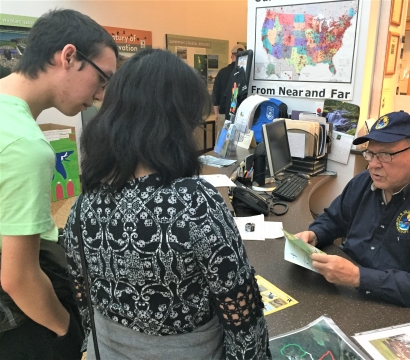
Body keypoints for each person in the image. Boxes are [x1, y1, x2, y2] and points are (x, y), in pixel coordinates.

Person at [63, 48, 270, 360]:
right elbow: (241, 313)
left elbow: (83, 296)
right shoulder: (196, 202)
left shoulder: (84, 206)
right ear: (176, 123)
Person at [0, 9, 118, 360]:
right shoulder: (24, 146)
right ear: (68, 57)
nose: (99, 96)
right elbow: (18, 277)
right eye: (101, 79)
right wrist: (66, 330)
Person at [296, 111, 410, 311]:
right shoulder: (365, 182)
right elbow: (334, 218)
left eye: (385, 155)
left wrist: (358, 277)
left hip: (406, 310)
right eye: (370, 153)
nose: (373, 164)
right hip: (352, 293)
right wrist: (315, 233)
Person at [212, 44, 245, 139]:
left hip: (223, 113)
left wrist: (216, 114)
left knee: (221, 146)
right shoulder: (244, 73)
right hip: (240, 116)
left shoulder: (222, 72)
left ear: (232, 55)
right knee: (236, 146)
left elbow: (216, 95)